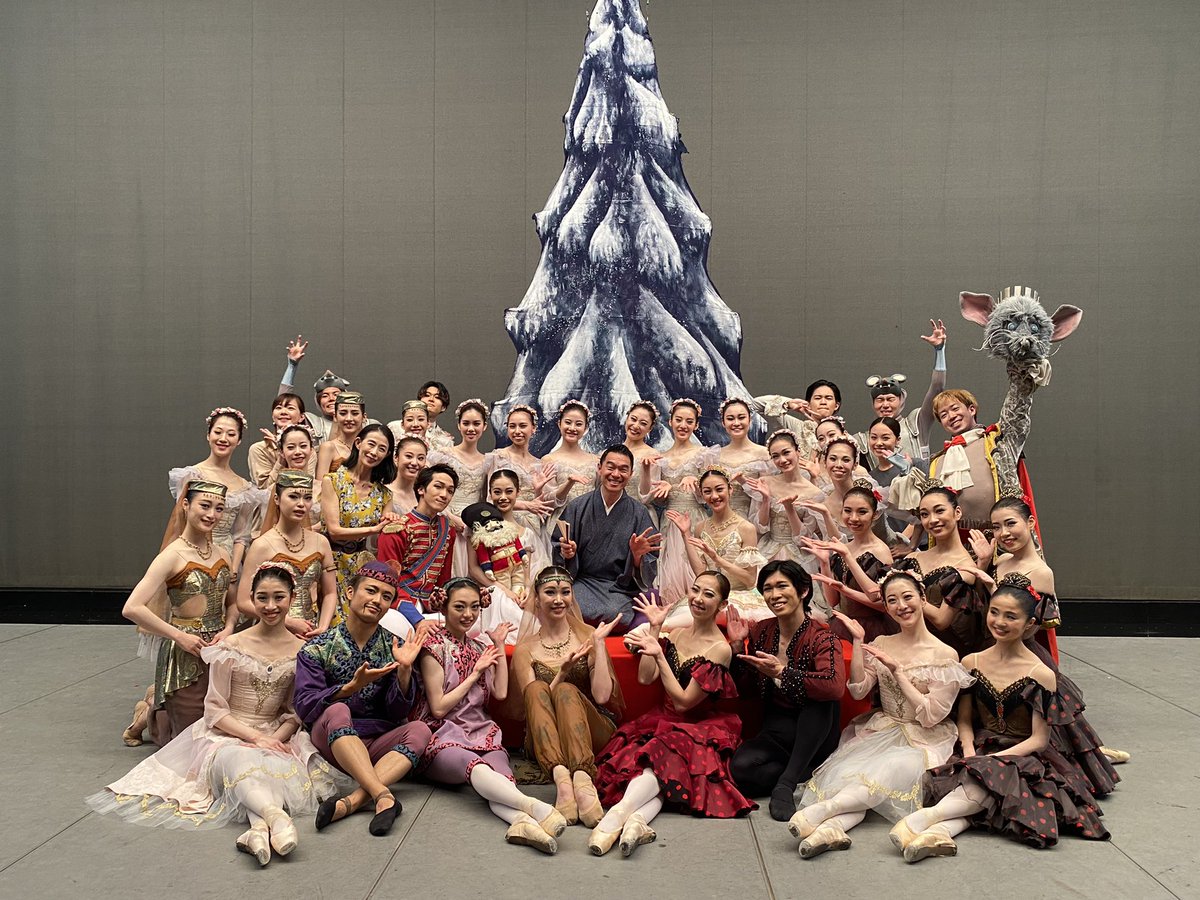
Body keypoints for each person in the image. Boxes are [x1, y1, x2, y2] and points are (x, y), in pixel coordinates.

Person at [90, 563, 339, 866]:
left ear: (292, 598)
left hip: (275, 732)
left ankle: (258, 830)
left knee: (262, 765)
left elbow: (293, 711)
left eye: (279, 597)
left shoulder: (302, 651)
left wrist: (274, 738)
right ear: (252, 598)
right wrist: (255, 738)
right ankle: (276, 817)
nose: (270, 606)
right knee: (239, 758)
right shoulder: (232, 646)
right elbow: (215, 711)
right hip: (226, 732)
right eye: (262, 598)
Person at [889, 577, 1109, 861]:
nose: (1000, 622)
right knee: (985, 784)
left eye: (1011, 616)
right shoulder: (971, 662)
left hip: (1024, 754)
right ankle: (940, 833)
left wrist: (993, 759)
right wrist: (969, 751)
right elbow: (965, 720)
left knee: (995, 776)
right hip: (980, 744)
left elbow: (1039, 740)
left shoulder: (1041, 674)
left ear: (1029, 624)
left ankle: (921, 821)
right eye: (994, 612)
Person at [788, 570, 972, 858]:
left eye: (908, 597)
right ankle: (832, 829)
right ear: (885, 607)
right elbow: (858, 690)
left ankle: (826, 811)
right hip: (883, 729)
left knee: (887, 770)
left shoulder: (944, 655)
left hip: (924, 738)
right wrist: (858, 642)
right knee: (855, 775)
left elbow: (931, 716)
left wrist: (898, 673)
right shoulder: (883, 643)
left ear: (923, 598)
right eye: (892, 601)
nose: (902, 606)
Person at [591, 572, 754, 857]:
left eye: (708, 594)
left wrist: (658, 655)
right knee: (655, 771)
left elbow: (683, 703)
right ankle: (636, 822)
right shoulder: (677, 634)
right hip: (661, 721)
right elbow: (645, 678)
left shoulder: (720, 649)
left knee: (656, 760)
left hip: (696, 727)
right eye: (695, 590)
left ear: (722, 605)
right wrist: (655, 629)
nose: (698, 599)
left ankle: (617, 815)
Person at [416, 578, 567, 854]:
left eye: (474, 607)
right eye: (460, 607)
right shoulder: (434, 648)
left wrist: (497, 644)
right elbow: (438, 708)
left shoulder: (478, 648)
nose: (468, 614)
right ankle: (535, 807)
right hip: (443, 733)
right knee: (478, 768)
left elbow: (500, 692)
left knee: (504, 778)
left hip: (481, 731)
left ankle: (521, 822)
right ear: (444, 607)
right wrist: (475, 673)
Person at [293, 562, 434, 837]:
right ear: (349, 592)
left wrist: (404, 671)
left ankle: (354, 801)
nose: (377, 600)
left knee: (420, 729)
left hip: (376, 741)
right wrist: (348, 689)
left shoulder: (395, 647)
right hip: (332, 741)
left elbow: (396, 713)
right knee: (337, 710)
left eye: (386, 596)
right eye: (371, 591)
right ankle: (381, 793)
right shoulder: (317, 647)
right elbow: (305, 705)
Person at [727, 560, 846, 822]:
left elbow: (834, 687)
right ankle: (804, 772)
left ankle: (786, 784)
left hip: (815, 731)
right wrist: (736, 646)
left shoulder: (822, 637)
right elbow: (747, 691)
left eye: (782, 586)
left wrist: (782, 673)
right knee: (740, 769)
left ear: (803, 590)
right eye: (768, 588)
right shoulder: (762, 631)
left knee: (821, 697)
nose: (774, 595)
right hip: (777, 731)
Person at [123, 481, 236, 745]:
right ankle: (148, 715)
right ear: (186, 505)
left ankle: (155, 701)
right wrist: (179, 636)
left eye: (219, 508)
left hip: (218, 650)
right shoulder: (172, 555)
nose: (212, 514)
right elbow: (132, 607)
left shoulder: (223, 553)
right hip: (184, 654)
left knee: (222, 729)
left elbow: (232, 604)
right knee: (190, 743)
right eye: (204, 506)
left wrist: (230, 628)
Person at [510, 567, 623, 827]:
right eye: (550, 592)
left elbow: (602, 696)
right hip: (547, 738)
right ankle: (562, 780)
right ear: (537, 599)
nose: (559, 599)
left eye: (565, 592)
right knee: (537, 689)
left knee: (566, 690)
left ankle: (582, 780)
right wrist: (562, 672)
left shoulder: (588, 635)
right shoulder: (525, 648)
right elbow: (534, 707)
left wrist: (600, 645)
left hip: (590, 730)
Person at [553, 445, 661, 631]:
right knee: (567, 605)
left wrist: (637, 557)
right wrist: (568, 554)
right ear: (599, 468)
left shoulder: (639, 513)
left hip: (618, 587)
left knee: (615, 613)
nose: (616, 474)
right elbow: (559, 546)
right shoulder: (578, 506)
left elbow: (649, 563)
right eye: (610, 467)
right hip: (582, 581)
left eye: (623, 469)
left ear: (631, 474)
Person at [163, 407, 268, 590]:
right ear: (208, 435)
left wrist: (233, 568)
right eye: (218, 432)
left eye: (231, 434)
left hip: (226, 557)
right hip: (191, 553)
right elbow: (179, 521)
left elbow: (241, 536)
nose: (223, 439)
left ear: (239, 440)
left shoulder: (244, 488)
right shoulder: (192, 476)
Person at [238, 471, 337, 638]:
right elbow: (243, 602)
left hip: (310, 630)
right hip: (271, 631)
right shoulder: (261, 545)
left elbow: (330, 592)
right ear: (276, 499)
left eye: (307, 498)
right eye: (293, 497)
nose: (301, 504)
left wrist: (322, 627)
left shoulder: (321, 542)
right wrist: (288, 621)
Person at [665, 468, 769, 623]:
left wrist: (717, 559)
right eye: (707, 491)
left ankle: (655, 628)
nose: (714, 496)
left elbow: (749, 580)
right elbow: (701, 573)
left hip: (739, 596)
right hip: (711, 596)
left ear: (730, 490)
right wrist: (685, 534)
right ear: (701, 495)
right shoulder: (700, 527)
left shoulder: (746, 528)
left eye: (719, 489)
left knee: (711, 614)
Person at [319, 423, 397, 621]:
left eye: (382, 449)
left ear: (387, 455)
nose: (374, 452)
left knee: (356, 623)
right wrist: (374, 528)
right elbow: (334, 530)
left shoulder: (385, 494)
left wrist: (392, 521)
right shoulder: (333, 481)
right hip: (329, 563)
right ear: (358, 443)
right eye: (371, 444)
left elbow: (385, 530)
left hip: (361, 566)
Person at [802, 480, 895, 643]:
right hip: (843, 624)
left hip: (872, 628)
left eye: (862, 512)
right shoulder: (844, 547)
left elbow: (883, 604)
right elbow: (833, 601)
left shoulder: (880, 551)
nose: (853, 518)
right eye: (848, 511)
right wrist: (824, 563)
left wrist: (846, 587)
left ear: (874, 514)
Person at [639, 399, 709, 605]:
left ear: (696, 425)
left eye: (689, 421)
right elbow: (650, 497)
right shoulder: (661, 457)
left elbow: (710, 495)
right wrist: (649, 474)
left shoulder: (702, 454)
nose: (683, 425)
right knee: (671, 570)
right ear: (670, 421)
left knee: (696, 566)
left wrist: (696, 481)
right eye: (678, 420)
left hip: (695, 518)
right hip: (670, 521)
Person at [849, 319, 948, 462]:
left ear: (901, 400)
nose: (885, 405)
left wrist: (939, 351)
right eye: (880, 400)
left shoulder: (916, 424)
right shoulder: (864, 439)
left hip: (919, 476)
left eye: (890, 399)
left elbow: (937, 387)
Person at [377, 463, 459, 624]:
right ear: (421, 489)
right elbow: (387, 582)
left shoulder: (448, 529)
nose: (444, 495)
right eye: (438, 487)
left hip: (431, 606)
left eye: (450, 491)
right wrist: (417, 619)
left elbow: (443, 579)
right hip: (399, 604)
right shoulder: (397, 529)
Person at [743, 430, 824, 566]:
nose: (782, 460)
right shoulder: (765, 482)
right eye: (775, 456)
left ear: (798, 451)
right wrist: (766, 500)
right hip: (768, 550)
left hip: (799, 557)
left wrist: (789, 509)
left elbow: (803, 540)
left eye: (786, 453)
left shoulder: (814, 493)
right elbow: (760, 528)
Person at [428, 399, 490, 576]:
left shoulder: (488, 461)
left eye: (476, 424)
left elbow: (485, 497)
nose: (471, 428)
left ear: (484, 426)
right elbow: (431, 490)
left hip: (474, 525)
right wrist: (449, 516)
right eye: (466, 423)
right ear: (459, 425)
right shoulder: (444, 456)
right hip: (446, 517)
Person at [274, 335, 350, 444]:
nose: (331, 399)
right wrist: (292, 366)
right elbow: (284, 402)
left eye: (336, 394)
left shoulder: (362, 423)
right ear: (318, 402)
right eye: (325, 396)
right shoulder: (312, 423)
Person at [751, 379, 843, 458]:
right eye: (818, 398)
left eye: (828, 398)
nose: (823, 402)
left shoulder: (843, 435)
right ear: (808, 404)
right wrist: (788, 403)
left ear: (836, 405)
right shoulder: (797, 427)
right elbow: (754, 405)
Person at [543, 400, 600, 526]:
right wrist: (569, 483)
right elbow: (547, 500)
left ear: (585, 428)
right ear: (559, 424)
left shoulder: (595, 461)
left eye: (578, 424)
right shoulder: (548, 460)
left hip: (589, 523)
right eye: (568, 422)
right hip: (560, 524)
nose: (572, 428)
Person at [712, 398, 771, 519]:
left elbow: (768, 494)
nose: (736, 423)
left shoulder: (765, 454)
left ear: (750, 419)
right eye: (730, 419)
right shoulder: (715, 456)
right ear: (723, 422)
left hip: (752, 520)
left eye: (741, 417)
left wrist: (744, 482)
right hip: (720, 519)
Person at [247, 392, 308, 489]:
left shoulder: (307, 449)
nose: (283, 412)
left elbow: (307, 483)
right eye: (278, 408)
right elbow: (264, 488)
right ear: (273, 416)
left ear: (302, 417)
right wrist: (281, 457)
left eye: (290, 408)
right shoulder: (259, 449)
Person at [315, 391, 368, 478]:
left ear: (364, 417)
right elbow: (320, 482)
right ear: (335, 417)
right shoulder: (328, 447)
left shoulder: (369, 447)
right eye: (343, 413)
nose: (349, 418)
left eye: (355, 413)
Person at [622, 400, 662, 505]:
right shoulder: (611, 452)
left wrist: (646, 469)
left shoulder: (653, 455)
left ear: (650, 428)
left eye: (643, 423)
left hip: (640, 511)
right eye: (633, 419)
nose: (636, 426)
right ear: (627, 418)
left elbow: (648, 496)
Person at [386, 435, 429, 517]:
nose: (414, 463)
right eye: (409, 456)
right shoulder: (384, 493)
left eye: (420, 458)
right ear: (396, 458)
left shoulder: (424, 495)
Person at [418, 380, 455, 451]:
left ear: (443, 407)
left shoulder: (446, 440)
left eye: (437, 397)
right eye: (427, 395)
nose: (431, 399)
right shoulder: (397, 428)